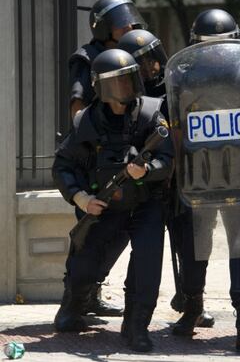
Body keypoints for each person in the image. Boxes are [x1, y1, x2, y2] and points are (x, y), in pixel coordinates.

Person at [53, 49, 174, 353]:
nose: (126, 87)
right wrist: (81, 199)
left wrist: (146, 170)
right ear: (102, 87)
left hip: (146, 204)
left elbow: (167, 160)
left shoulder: (150, 113)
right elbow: (63, 166)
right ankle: (73, 307)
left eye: (129, 79)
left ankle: (136, 327)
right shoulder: (86, 122)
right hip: (105, 208)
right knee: (84, 266)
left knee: (146, 267)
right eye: (118, 82)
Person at [169, 9, 240, 352]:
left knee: (224, 244)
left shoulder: (190, 75)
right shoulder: (186, 74)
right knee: (207, 244)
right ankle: (220, 309)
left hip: (218, 172)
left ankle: (238, 313)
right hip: (215, 173)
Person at [117, 29, 216, 329]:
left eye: (152, 61)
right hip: (147, 186)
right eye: (141, 64)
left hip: (186, 180)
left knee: (193, 246)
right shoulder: (128, 97)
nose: (150, 69)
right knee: (144, 250)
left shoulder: (180, 83)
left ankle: (193, 304)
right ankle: (132, 309)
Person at [68, 0, 147, 317]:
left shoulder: (125, 54)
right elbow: (77, 105)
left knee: (122, 229)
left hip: (124, 153)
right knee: (90, 231)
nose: (130, 26)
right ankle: (74, 298)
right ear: (102, 26)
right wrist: (89, 140)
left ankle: (92, 291)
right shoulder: (86, 58)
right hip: (94, 156)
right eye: (121, 22)